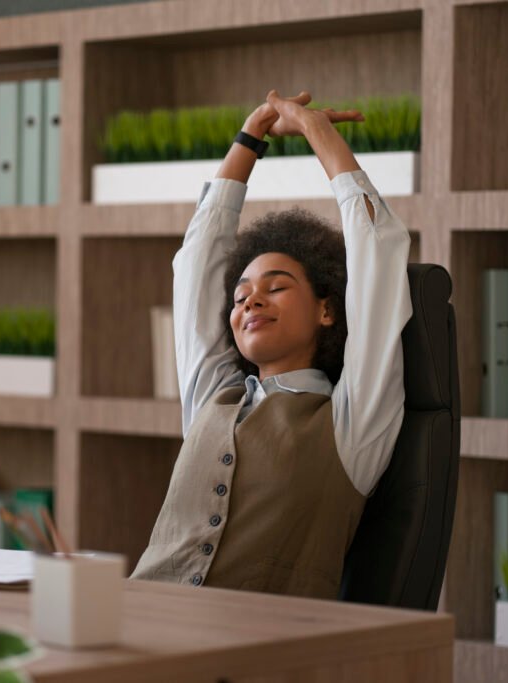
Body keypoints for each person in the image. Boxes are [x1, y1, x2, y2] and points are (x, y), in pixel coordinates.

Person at [129, 90, 413, 599]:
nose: (251, 302)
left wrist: (317, 133)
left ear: (328, 309)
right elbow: (196, 263)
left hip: (264, 654)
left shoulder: (351, 422)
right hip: (142, 624)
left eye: (276, 287)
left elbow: (379, 252)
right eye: (240, 297)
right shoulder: (212, 397)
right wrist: (249, 139)